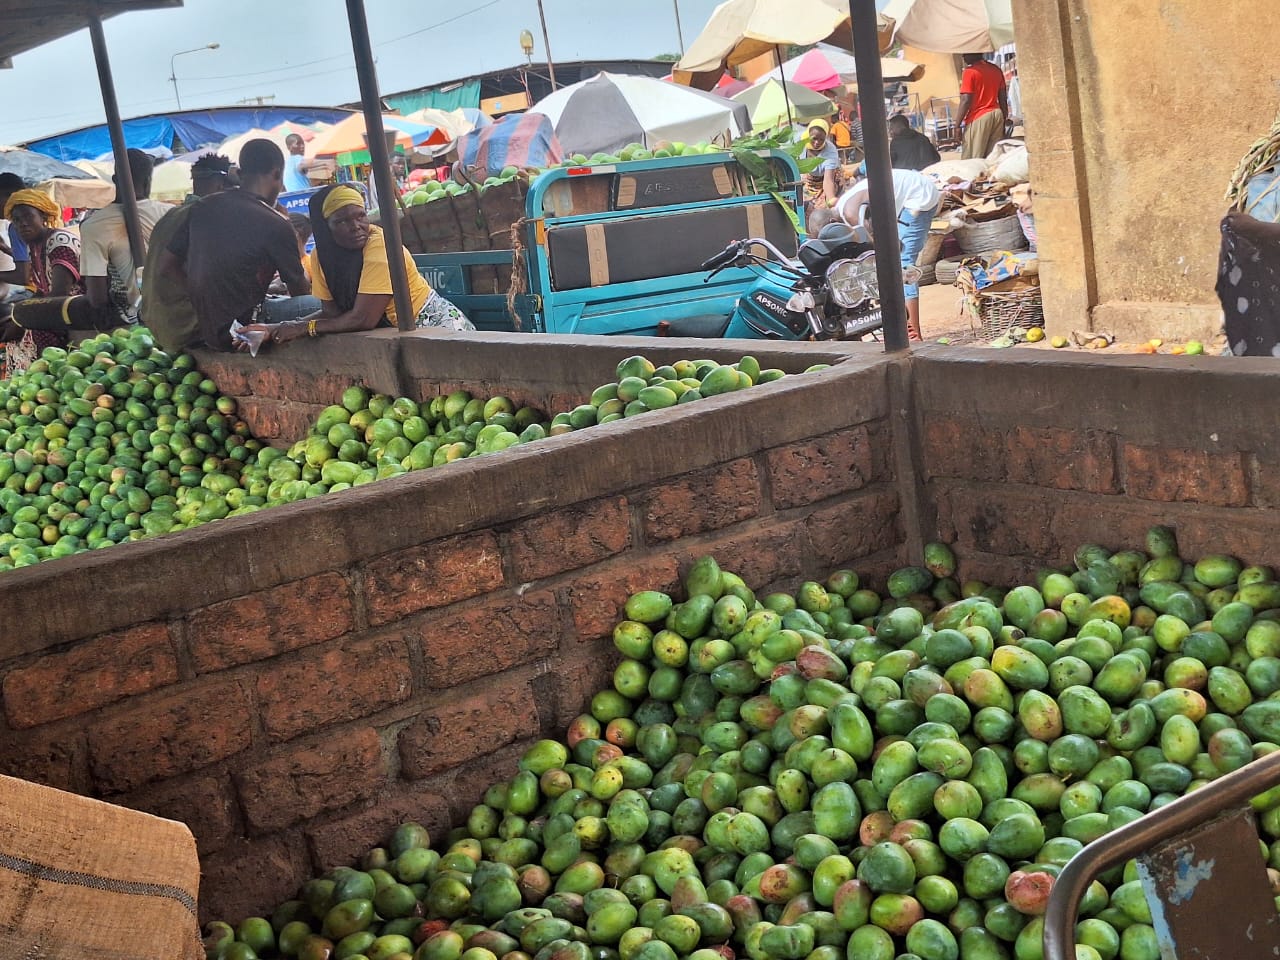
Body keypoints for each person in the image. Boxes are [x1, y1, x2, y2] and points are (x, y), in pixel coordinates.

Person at [237, 184, 474, 349]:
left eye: (360, 216)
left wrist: (302, 328)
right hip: (400, 336)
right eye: (342, 221)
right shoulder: (321, 257)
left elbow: (362, 319)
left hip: (439, 330)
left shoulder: (381, 247)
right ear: (325, 227)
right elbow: (332, 314)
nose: (356, 226)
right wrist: (275, 328)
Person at [155, 138, 311, 352]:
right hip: (246, 327)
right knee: (321, 307)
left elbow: (166, 266)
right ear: (277, 174)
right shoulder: (275, 223)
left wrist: (205, 298)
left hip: (208, 326)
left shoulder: (202, 207)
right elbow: (300, 291)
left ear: (239, 173)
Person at [832, 166, 942, 342]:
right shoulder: (843, 214)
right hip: (901, 196)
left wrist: (880, 246)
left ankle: (913, 334)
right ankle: (899, 329)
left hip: (918, 195)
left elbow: (870, 201)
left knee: (902, 264)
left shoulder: (850, 213)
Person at [140, 154, 235, 353]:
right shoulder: (207, 216)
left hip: (159, 324)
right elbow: (169, 267)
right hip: (187, 329)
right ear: (220, 185)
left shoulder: (172, 215)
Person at [79, 148, 171, 329]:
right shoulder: (170, 213)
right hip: (175, 315)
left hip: (131, 326)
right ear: (148, 181)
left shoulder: (93, 226)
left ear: (114, 180)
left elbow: (97, 298)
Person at [0, 190, 85, 375]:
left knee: (36, 335)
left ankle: (49, 375)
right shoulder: (35, 245)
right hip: (58, 307)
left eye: (28, 217)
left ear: (43, 217)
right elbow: (41, 290)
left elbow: (58, 295)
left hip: (77, 308)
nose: (22, 224)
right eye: (16, 220)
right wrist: (18, 314)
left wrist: (23, 320)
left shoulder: (59, 242)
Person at [957, 53, 1008, 161]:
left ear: (974, 54)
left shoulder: (970, 72)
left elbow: (966, 100)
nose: (963, 57)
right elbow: (1003, 97)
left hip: (979, 116)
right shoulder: (996, 69)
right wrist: (1004, 118)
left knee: (972, 160)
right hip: (997, 114)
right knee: (993, 158)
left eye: (965, 54)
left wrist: (957, 125)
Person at [803, 119, 844, 216]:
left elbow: (828, 180)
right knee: (803, 206)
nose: (817, 142)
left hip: (829, 179)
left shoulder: (830, 150)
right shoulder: (800, 144)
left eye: (822, 139)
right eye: (814, 138)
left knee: (823, 211)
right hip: (809, 181)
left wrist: (831, 201)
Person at [0, 173, 32, 291]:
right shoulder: (34, 218)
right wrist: (6, 249)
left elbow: (23, 277)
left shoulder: (18, 226)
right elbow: (32, 258)